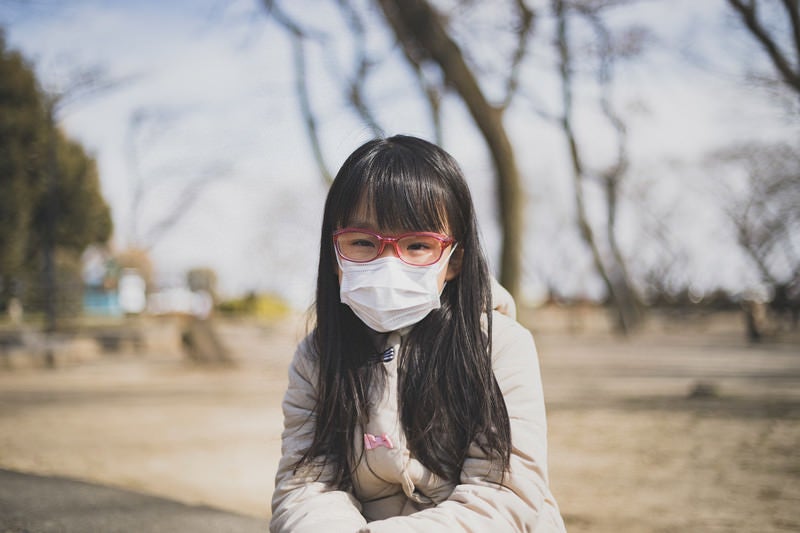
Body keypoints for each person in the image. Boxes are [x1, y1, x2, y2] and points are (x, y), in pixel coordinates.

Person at [270, 135, 566, 532]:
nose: (389, 262)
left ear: (455, 259)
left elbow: (504, 494)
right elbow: (306, 485)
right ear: (334, 253)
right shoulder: (317, 357)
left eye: (417, 245)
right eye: (362, 242)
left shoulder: (501, 347)